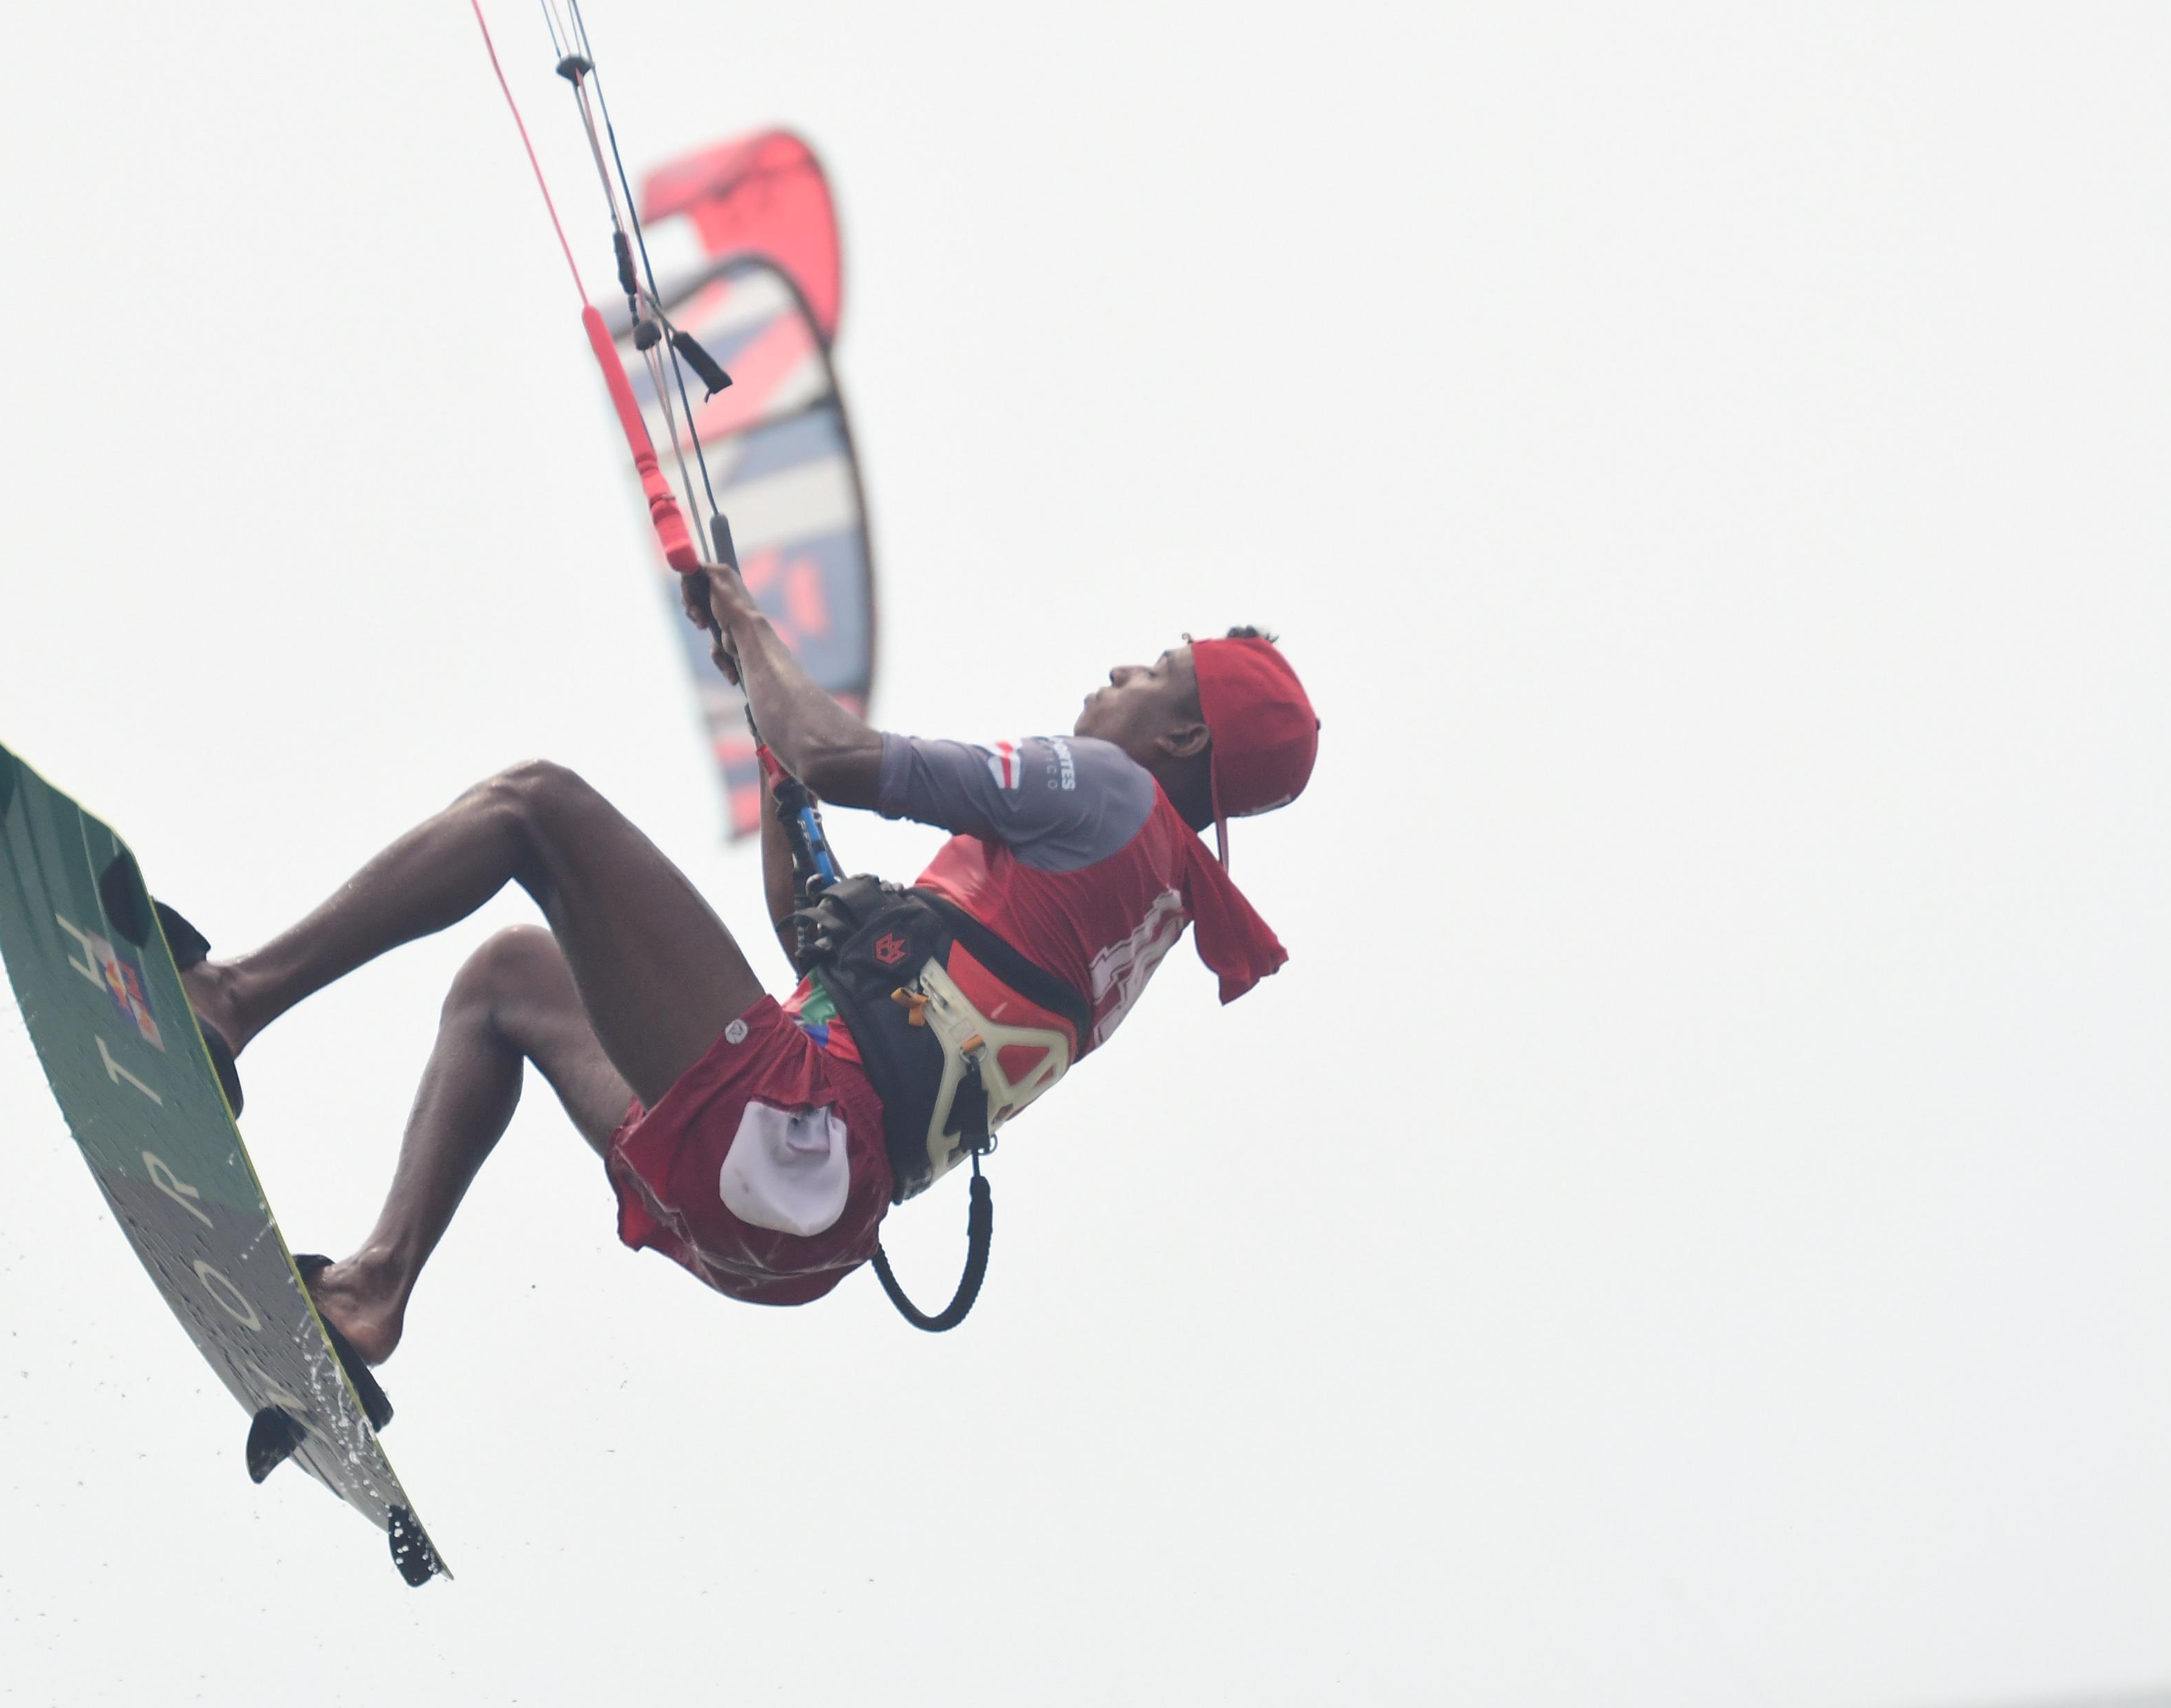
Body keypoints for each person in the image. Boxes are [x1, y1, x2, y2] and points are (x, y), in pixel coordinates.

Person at [172, 563, 1318, 1369]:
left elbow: (838, 752)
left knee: (536, 805)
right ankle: (373, 1290)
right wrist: (774, 747)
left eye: (1156, 669)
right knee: (508, 980)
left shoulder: (1107, 789)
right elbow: (807, 933)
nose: (1120, 667)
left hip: (792, 1125)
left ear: (1181, 739)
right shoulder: (1143, 907)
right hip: (793, 1222)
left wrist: (751, 631)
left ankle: (228, 1003)